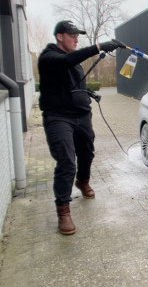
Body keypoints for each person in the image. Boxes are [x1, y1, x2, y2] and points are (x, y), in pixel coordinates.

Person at [38, 20, 119, 235]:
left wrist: (87, 93)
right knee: (66, 160)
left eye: (78, 36)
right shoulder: (49, 57)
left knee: (87, 153)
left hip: (82, 115)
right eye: (72, 36)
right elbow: (65, 62)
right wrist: (98, 47)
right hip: (58, 118)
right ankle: (63, 212)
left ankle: (82, 182)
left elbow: (71, 83)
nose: (76, 39)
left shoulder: (73, 62)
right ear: (59, 36)